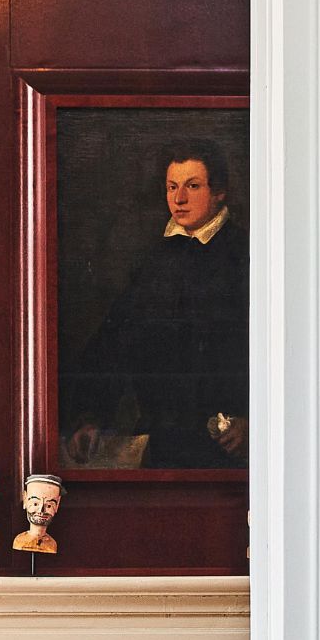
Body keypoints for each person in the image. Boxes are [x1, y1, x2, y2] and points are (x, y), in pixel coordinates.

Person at [63, 140, 249, 471]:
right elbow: (114, 343)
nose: (179, 199)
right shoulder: (155, 262)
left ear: (219, 191)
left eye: (193, 186)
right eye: (172, 187)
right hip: (161, 441)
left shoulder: (245, 255)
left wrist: (252, 420)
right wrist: (91, 417)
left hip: (228, 448)